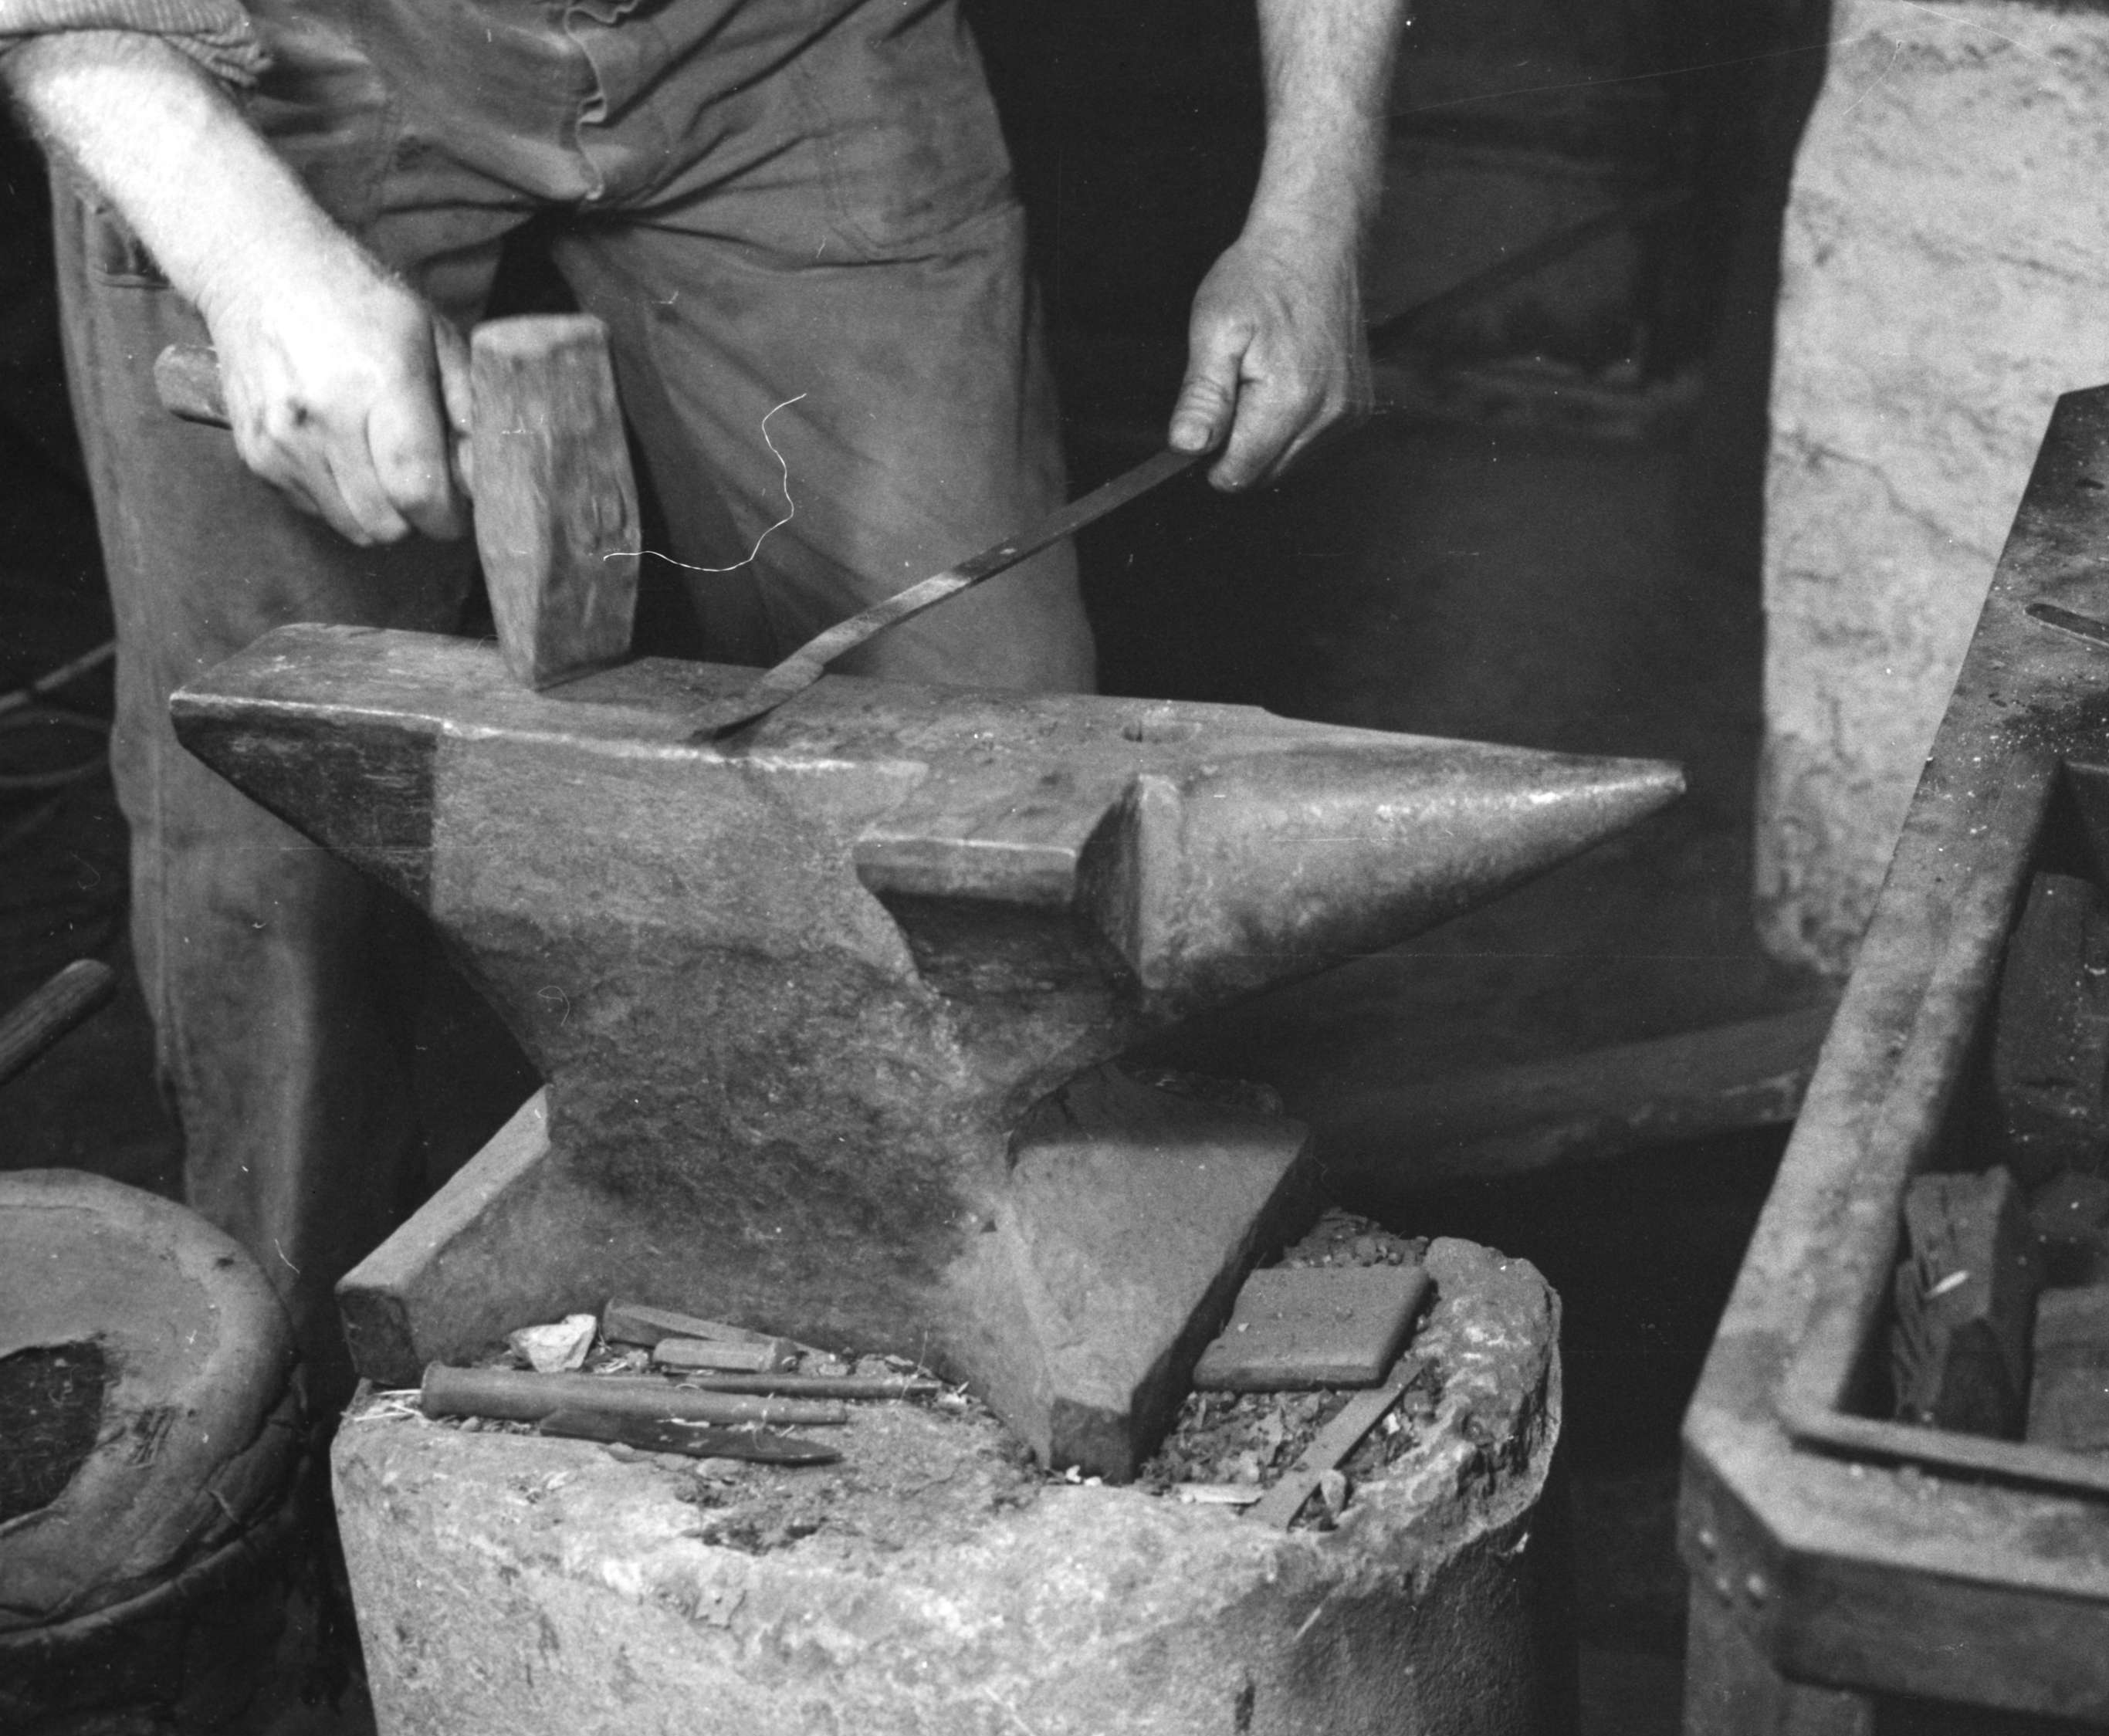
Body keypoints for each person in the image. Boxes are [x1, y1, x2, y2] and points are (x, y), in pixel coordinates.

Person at [0, 0, 1399, 1385]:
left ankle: (967, 1361)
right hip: (291, 48)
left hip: (788, 31)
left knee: (999, 785)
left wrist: (1312, 212)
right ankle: (270, 1419)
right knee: (275, 828)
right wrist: (252, 261)